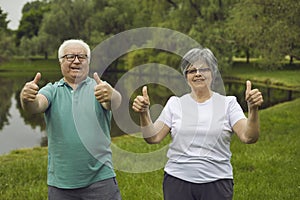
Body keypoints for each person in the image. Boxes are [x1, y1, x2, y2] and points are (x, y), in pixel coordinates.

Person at [132, 48, 263, 200]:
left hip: (217, 182)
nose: (198, 74)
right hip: (177, 181)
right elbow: (153, 137)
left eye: (203, 69)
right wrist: (144, 113)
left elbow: (249, 137)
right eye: (192, 71)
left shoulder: (228, 104)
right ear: (186, 76)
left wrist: (253, 109)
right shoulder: (175, 104)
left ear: (213, 73)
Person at [20, 39, 122, 200]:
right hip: (61, 184)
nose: (76, 60)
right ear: (61, 62)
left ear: (88, 62)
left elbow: (113, 102)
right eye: (70, 56)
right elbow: (36, 106)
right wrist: (26, 99)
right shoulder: (52, 90)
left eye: (81, 57)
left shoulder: (99, 88)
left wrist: (112, 95)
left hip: (100, 180)